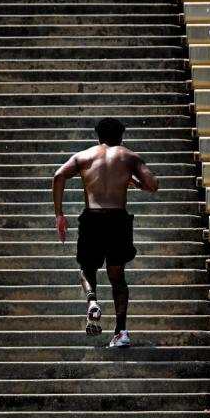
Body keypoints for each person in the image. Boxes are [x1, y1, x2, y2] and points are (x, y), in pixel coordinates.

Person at [52, 118, 159, 347]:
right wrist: (134, 182)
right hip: (118, 220)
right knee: (117, 277)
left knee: (87, 270)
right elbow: (152, 184)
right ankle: (120, 333)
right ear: (121, 136)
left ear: (97, 136)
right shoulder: (128, 156)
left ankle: (92, 302)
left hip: (93, 218)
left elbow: (58, 175)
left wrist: (59, 214)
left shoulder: (84, 156)